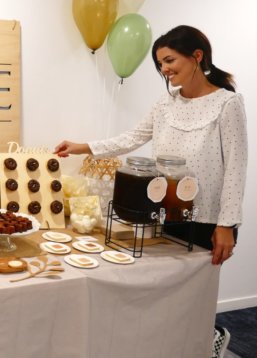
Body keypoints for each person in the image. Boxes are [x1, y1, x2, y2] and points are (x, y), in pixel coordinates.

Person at [54, 25, 247, 358]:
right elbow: (131, 138)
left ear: (197, 56)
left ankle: (209, 341)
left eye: (169, 60)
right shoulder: (166, 103)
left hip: (208, 219)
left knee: (196, 294)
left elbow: (236, 168)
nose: (164, 69)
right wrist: (82, 146)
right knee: (168, 294)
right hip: (165, 210)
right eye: (160, 64)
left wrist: (226, 225)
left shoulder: (228, 104)